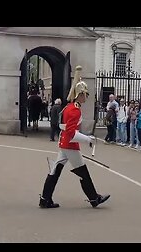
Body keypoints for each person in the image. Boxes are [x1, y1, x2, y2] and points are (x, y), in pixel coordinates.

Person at [39, 66, 110, 209]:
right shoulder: (74, 111)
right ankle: (94, 198)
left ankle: (45, 198)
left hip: (64, 144)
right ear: (80, 94)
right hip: (70, 145)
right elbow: (72, 133)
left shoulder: (70, 107)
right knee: (83, 172)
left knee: (55, 171)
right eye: (85, 94)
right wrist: (88, 139)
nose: (86, 97)